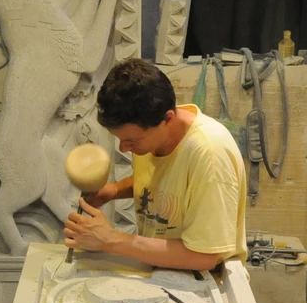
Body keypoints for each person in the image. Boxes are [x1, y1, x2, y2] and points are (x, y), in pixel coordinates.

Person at [63, 58, 247, 271]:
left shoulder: (210, 155)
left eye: (132, 140)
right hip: (161, 268)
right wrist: (113, 191)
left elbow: (203, 257)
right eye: (120, 139)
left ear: (168, 119)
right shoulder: (152, 134)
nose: (124, 148)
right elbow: (165, 179)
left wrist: (111, 240)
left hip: (207, 278)